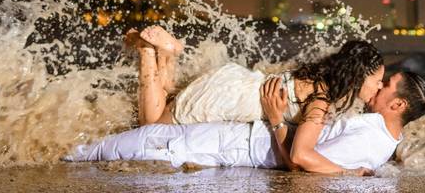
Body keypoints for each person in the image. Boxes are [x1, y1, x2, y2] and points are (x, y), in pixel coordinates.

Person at [65, 69, 425, 175]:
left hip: (236, 145)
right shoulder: (382, 140)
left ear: (396, 104)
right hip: (236, 147)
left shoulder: (370, 135)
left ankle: (65, 156)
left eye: (385, 85)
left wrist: (277, 119)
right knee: (151, 139)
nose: (375, 87)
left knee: (145, 141)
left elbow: (301, 160)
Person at [124, 26, 386, 171]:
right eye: (376, 82)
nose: (379, 87)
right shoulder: (321, 100)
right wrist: (345, 172)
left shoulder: (318, 78)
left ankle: (169, 52)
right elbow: (300, 156)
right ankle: (147, 51)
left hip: (235, 83)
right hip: (226, 96)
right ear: (357, 77)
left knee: (172, 97)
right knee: (152, 126)